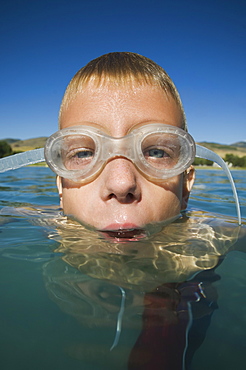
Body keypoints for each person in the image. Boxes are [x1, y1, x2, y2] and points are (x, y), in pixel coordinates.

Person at [54, 51, 196, 236]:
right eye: (84, 154)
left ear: (185, 186)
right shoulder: (27, 223)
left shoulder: (219, 237)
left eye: (157, 152)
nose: (121, 184)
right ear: (61, 189)